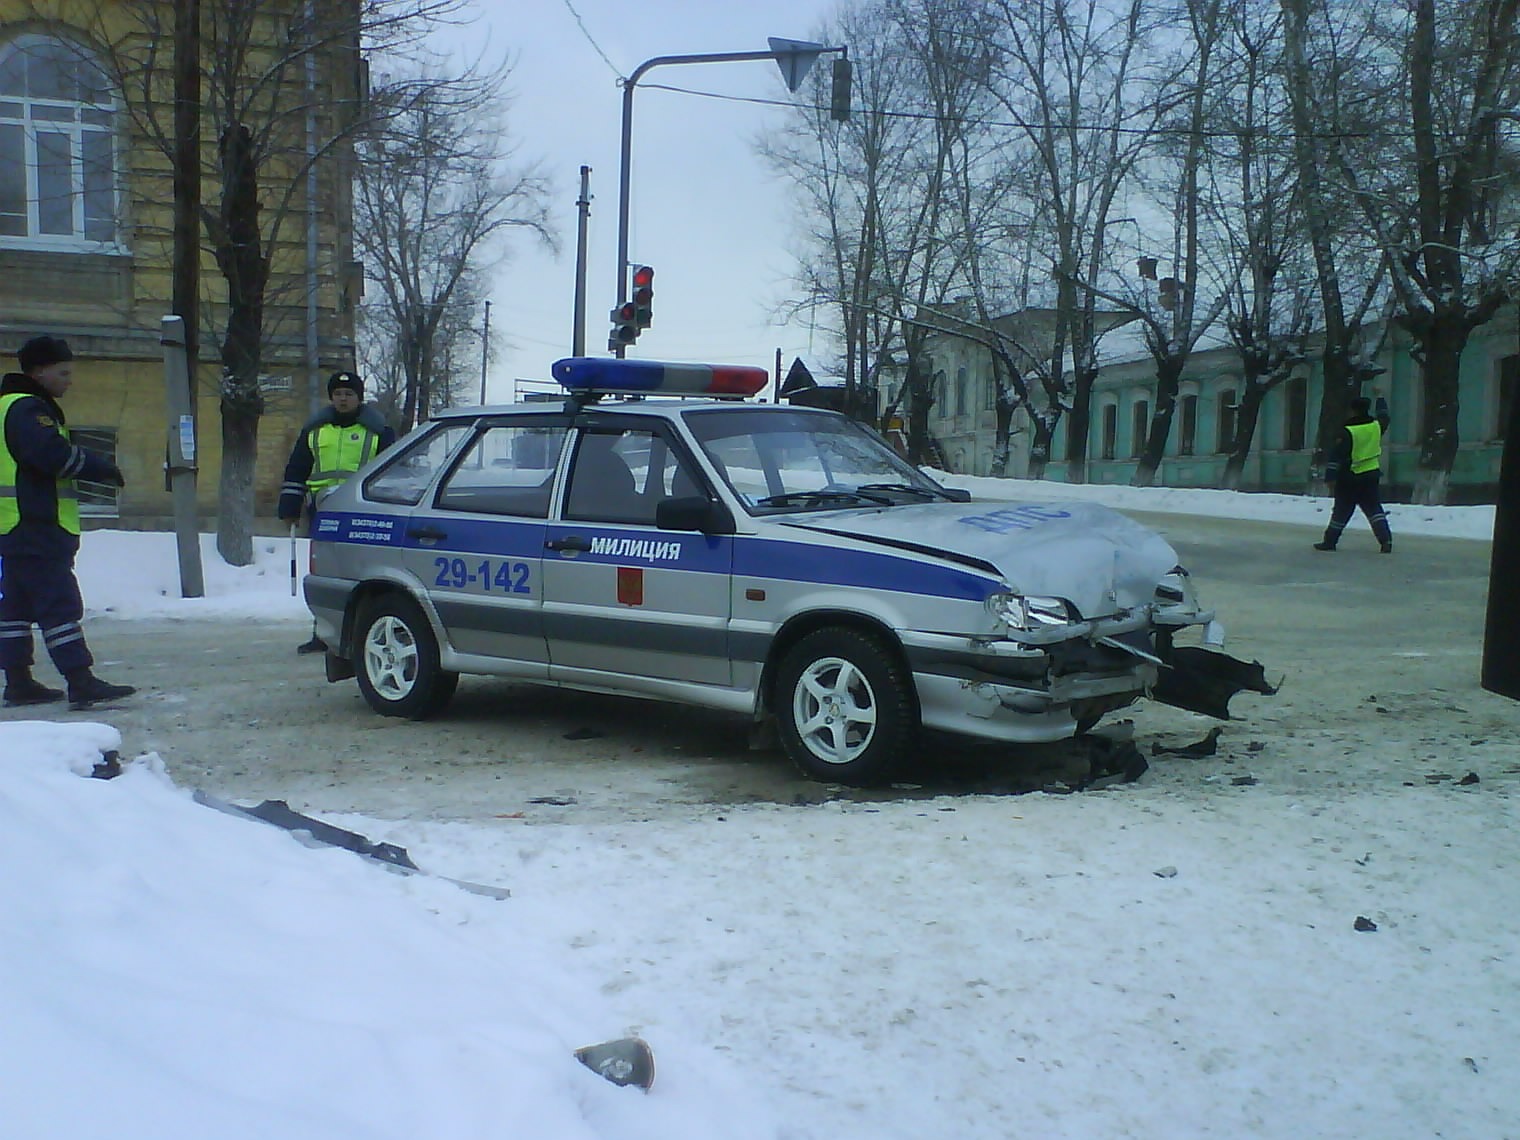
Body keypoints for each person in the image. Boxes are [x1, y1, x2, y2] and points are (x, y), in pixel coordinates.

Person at [0, 335, 136, 709]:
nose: (69, 381)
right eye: (63, 373)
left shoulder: (5, 405)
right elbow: (50, 454)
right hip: (37, 525)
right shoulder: (28, 408)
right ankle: (80, 680)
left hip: (13, 527)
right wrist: (99, 467)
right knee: (58, 604)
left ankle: (18, 682)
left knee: (14, 609)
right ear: (39, 372)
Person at [278, 370, 395, 654]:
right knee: (326, 573)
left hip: (363, 512)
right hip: (324, 512)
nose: (343, 399)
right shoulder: (315, 430)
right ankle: (323, 632)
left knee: (365, 573)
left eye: (349, 394)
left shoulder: (378, 431)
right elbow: (297, 468)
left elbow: (394, 472)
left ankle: (363, 633)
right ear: (331, 397)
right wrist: (290, 506)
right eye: (338, 394)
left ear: (359, 398)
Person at [1314, 394, 1393, 554]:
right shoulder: (1376, 426)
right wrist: (1380, 398)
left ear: (1352, 411)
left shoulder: (1347, 431)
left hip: (1349, 477)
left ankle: (1330, 541)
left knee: (1341, 511)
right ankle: (1386, 541)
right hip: (1371, 475)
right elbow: (1384, 416)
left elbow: (1336, 456)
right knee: (1374, 509)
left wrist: (1330, 477)